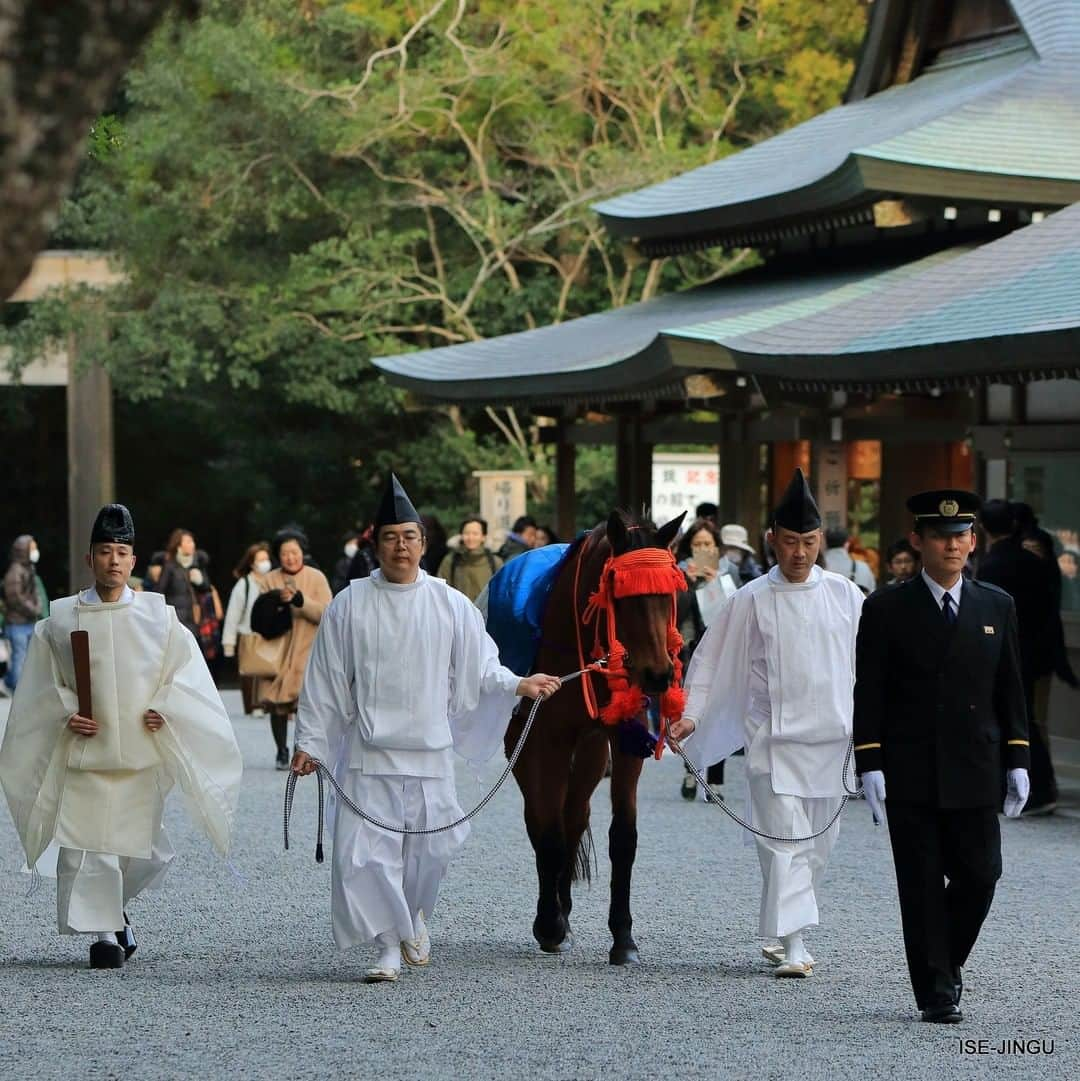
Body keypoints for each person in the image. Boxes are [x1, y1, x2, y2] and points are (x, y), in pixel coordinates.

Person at [291, 474, 562, 983]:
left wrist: (519, 684)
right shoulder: (348, 605)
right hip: (371, 751)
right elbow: (325, 679)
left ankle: (414, 917)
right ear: (375, 543)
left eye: (409, 537)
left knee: (430, 849)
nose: (401, 547)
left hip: (430, 749)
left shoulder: (451, 603)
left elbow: (482, 666)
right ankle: (388, 945)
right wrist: (310, 743)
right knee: (370, 853)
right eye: (390, 537)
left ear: (423, 543)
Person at [0, 504, 242, 968]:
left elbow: (185, 676)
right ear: (89, 559)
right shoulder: (60, 621)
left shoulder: (159, 618)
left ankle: (116, 912)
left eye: (122, 552)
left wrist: (164, 709)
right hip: (84, 756)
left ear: (133, 561)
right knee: (89, 848)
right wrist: (67, 713)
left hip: (138, 755)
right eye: (104, 551)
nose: (113, 560)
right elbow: (40, 687)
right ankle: (105, 935)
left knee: (146, 852)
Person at [670, 469, 864, 978]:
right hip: (773, 741)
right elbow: (711, 662)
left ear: (820, 541)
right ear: (772, 540)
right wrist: (691, 715)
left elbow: (870, 667)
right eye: (790, 542)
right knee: (784, 843)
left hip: (834, 742)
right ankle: (796, 945)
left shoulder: (847, 596)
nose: (799, 553)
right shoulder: (750, 598)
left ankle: (782, 930)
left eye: (808, 542)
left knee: (818, 847)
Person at [854, 489, 1029, 1024]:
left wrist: (1019, 758)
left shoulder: (996, 604)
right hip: (911, 766)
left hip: (976, 762)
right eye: (940, 536)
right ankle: (936, 990)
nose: (952, 546)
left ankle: (943, 962)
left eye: (961, 536)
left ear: (973, 541)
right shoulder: (886, 607)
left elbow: (1011, 688)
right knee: (922, 881)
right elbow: (870, 691)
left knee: (982, 875)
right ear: (918, 541)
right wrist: (870, 762)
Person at [977, 500, 1063, 816]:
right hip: (1037, 651)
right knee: (1027, 720)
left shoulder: (991, 565)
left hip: (1008, 652)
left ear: (983, 528)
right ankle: (1041, 788)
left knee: (1016, 720)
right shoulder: (1032, 558)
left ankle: (1030, 789)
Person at [255, 527, 331, 770]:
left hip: (307, 649)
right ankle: (281, 749)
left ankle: (303, 749)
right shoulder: (269, 580)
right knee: (277, 702)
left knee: (305, 703)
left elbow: (328, 613)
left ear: (302, 552)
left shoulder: (316, 577)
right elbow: (258, 616)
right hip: (277, 649)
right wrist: (277, 599)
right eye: (285, 553)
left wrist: (300, 601)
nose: (290, 557)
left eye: (294, 552)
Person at [674, 519, 738, 800]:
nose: (702, 549)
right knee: (691, 713)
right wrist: (687, 584)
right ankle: (691, 771)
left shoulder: (728, 572)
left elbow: (736, 612)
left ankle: (716, 782)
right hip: (690, 652)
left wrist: (716, 583)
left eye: (707, 544)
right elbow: (675, 615)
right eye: (697, 544)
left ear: (717, 547)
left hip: (722, 654)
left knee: (718, 713)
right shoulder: (678, 573)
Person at [222, 541, 272, 715]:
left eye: (267, 558)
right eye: (261, 559)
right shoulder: (244, 584)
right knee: (250, 673)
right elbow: (233, 614)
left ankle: (267, 704)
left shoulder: (273, 581)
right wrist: (229, 644)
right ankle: (253, 706)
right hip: (248, 635)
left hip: (269, 635)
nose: (265, 562)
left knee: (268, 671)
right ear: (252, 563)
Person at [3, 534, 44, 691]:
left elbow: (35, 593)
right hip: (17, 623)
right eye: (32, 548)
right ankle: (16, 689)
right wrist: (34, 609)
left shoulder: (29, 569)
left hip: (28, 622)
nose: (35, 551)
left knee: (27, 659)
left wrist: (38, 606)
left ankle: (13, 685)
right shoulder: (15, 572)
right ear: (23, 550)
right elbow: (16, 598)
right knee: (19, 658)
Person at [437, 517, 503, 603]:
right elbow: (441, 590)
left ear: (483, 537)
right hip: (458, 613)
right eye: (466, 533)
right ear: (461, 535)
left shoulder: (495, 562)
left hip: (486, 614)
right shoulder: (450, 561)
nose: (470, 538)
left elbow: (501, 591)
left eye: (475, 534)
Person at [823, 527, 876, 594]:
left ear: (825, 543)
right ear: (847, 544)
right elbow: (872, 593)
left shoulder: (816, 568)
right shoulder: (863, 567)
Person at [332, 530, 364, 595]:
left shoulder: (363, 561)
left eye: (355, 543)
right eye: (351, 543)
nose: (354, 546)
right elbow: (337, 586)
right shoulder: (341, 564)